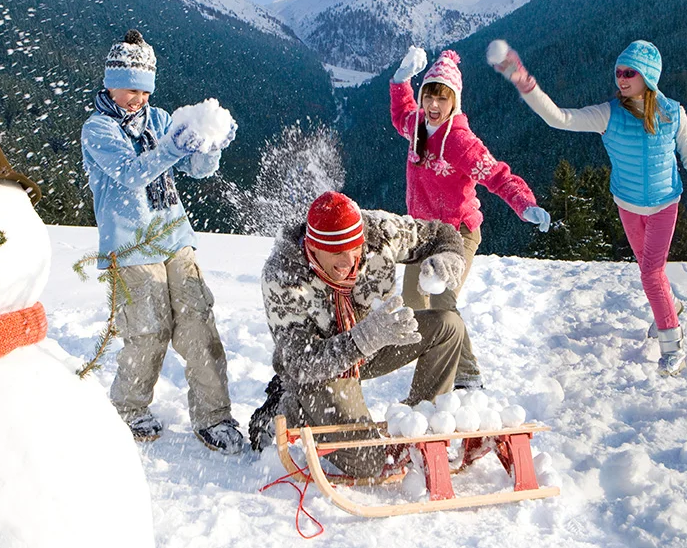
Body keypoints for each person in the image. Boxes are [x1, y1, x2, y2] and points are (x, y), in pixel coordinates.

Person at [488, 38, 687, 376]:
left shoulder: (673, 114)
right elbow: (559, 118)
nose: (621, 78)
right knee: (651, 272)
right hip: (627, 206)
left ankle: (673, 344)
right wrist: (523, 81)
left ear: (648, 76)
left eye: (629, 73)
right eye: (618, 72)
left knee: (650, 274)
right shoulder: (609, 114)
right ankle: (670, 306)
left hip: (665, 205)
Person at [81, 29, 243, 453]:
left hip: (174, 237)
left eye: (145, 91)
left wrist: (210, 148)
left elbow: (196, 170)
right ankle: (129, 408)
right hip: (129, 244)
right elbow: (132, 174)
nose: (138, 98)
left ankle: (214, 414)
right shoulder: (98, 129)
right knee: (149, 329)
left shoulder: (158, 120)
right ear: (110, 83)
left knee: (198, 325)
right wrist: (173, 147)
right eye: (130, 89)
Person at [254, 191, 469, 476]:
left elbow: (440, 233)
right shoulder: (283, 276)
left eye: (354, 249)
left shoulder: (379, 233)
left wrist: (450, 255)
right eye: (336, 253)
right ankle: (291, 407)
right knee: (370, 463)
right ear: (313, 247)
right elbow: (300, 363)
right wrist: (363, 339)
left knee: (448, 326)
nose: (347, 261)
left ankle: (420, 425)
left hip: (377, 340)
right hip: (319, 370)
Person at [389, 47, 550, 389]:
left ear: (455, 102)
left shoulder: (460, 143)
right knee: (415, 302)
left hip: (457, 233)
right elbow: (401, 113)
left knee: (442, 300)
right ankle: (437, 353)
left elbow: (497, 176)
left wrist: (524, 204)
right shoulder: (417, 126)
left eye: (442, 98)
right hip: (421, 232)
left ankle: (467, 374)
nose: (434, 105)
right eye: (429, 96)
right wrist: (401, 79)